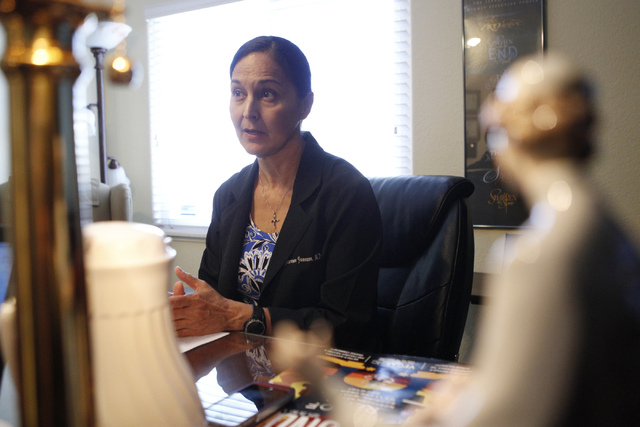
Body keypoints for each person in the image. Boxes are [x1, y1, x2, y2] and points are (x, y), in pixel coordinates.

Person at [169, 36, 382, 352]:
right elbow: (214, 304)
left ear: (305, 105)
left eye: (267, 94)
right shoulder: (228, 196)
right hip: (239, 374)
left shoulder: (346, 193)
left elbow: (347, 323)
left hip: (317, 373)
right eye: (238, 93)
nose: (248, 111)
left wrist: (243, 317)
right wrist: (190, 312)